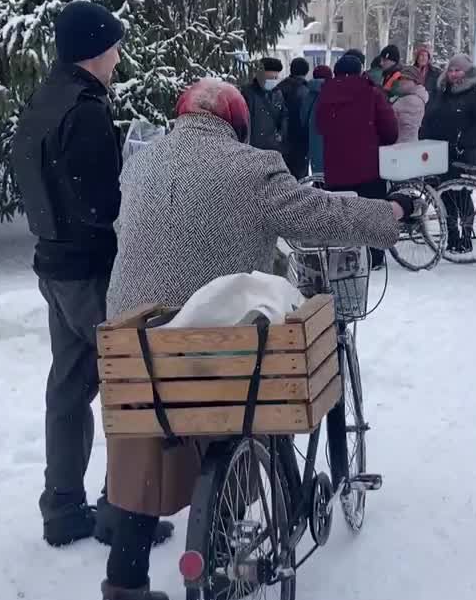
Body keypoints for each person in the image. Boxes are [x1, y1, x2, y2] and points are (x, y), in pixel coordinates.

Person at [100, 78, 417, 600]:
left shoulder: (139, 164)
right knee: (252, 396)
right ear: (237, 123)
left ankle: (125, 582)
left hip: (139, 343)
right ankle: (228, 550)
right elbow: (322, 217)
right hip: (218, 344)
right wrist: (392, 212)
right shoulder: (252, 167)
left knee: (149, 442)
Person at [9, 0, 173, 548]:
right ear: (95, 51)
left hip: (54, 264)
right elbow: (101, 203)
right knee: (129, 385)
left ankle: (62, 508)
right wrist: (138, 178)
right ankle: (121, 512)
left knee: (70, 385)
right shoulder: (83, 108)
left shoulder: (45, 98)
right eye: (115, 47)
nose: (119, 57)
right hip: (90, 269)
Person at [316, 54, 401, 269]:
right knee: (371, 212)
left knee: (341, 214)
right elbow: (390, 129)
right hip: (368, 166)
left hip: (336, 167)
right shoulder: (371, 92)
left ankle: (345, 258)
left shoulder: (325, 93)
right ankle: (373, 257)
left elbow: (320, 126)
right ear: (360, 70)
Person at [419, 53, 476, 254]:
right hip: (440, 153)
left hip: (465, 153)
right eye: (450, 70)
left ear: (467, 73)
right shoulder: (440, 93)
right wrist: (424, 136)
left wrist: (463, 140)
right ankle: (452, 236)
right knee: (445, 196)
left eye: (457, 70)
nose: (453, 74)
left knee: (463, 196)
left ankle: (467, 236)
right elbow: (429, 117)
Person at [241, 57, 288, 151]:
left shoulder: (277, 93)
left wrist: (281, 133)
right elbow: (242, 121)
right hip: (253, 149)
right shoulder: (248, 93)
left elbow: (284, 115)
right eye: (270, 78)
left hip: (274, 148)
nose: (273, 81)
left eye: (275, 78)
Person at [276, 57, 312, 179]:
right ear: (306, 71)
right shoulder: (306, 91)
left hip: (282, 140)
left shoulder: (279, 88)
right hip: (301, 141)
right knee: (300, 181)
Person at [302, 64, 332, 175]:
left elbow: (303, 118)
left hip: (314, 139)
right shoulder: (334, 92)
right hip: (331, 141)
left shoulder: (308, 94)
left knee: (318, 175)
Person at [392, 65, 429, 143]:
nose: (401, 81)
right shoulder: (416, 97)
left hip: (401, 146)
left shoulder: (411, 101)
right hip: (408, 145)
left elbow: (391, 121)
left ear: (415, 81)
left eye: (406, 78)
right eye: (401, 78)